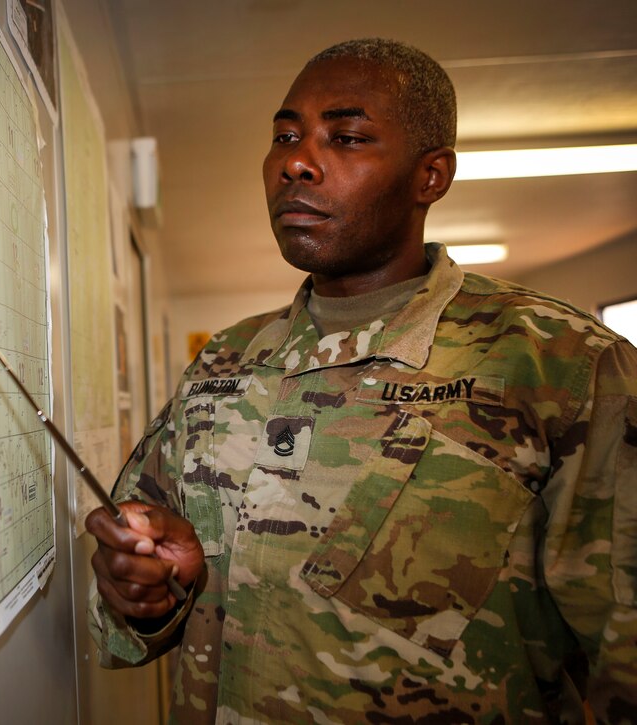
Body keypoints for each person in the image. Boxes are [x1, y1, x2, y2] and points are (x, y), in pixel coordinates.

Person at [85, 38, 637, 723]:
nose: (295, 162)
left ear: (430, 176)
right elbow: (132, 579)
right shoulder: (223, 361)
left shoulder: (562, 365)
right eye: (286, 135)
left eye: (345, 137)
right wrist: (144, 591)